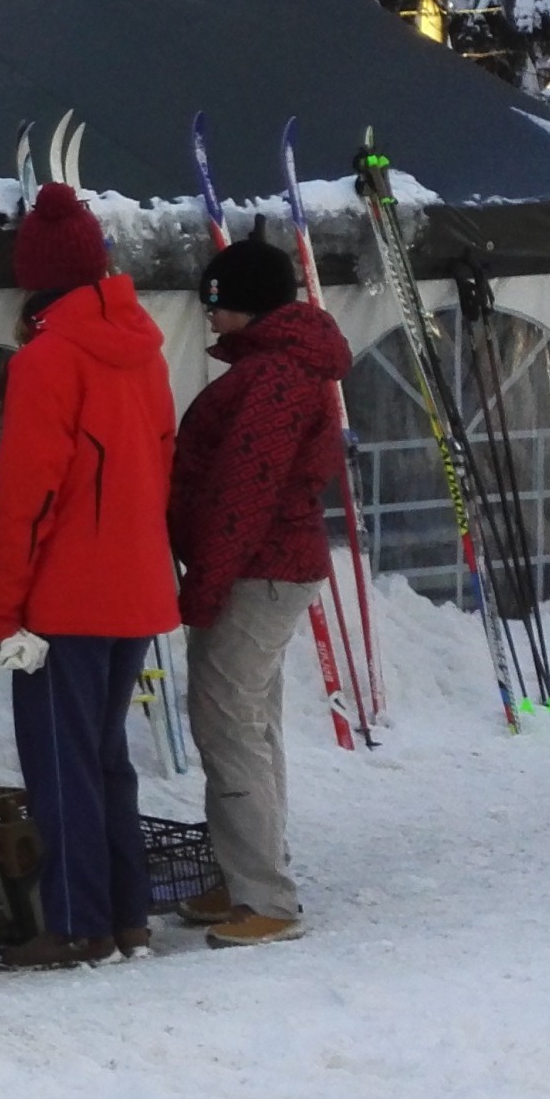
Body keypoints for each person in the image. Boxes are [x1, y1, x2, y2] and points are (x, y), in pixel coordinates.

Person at [0, 181, 178, 969]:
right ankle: (125, 914)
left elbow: (24, 499)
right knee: (105, 759)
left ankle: (73, 924)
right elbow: (160, 461)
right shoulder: (145, 347)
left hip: (64, 596)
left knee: (61, 768)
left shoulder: (46, 361)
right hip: (134, 584)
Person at [168, 235, 348, 947]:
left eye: (213, 303)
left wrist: (206, 584)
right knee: (249, 722)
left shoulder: (274, 378)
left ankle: (265, 896)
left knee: (227, 725)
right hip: (262, 566)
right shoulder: (280, 368)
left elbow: (243, 492)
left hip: (254, 570)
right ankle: (247, 870)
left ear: (240, 302)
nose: (207, 317)